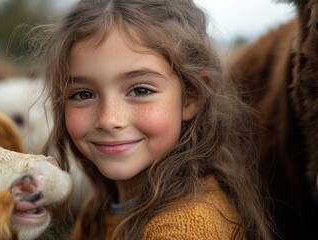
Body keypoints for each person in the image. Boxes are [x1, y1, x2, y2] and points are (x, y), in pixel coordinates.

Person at [32, 0, 274, 239]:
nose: (108, 119)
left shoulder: (187, 229)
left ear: (191, 97)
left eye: (140, 91)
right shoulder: (100, 206)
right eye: (83, 94)